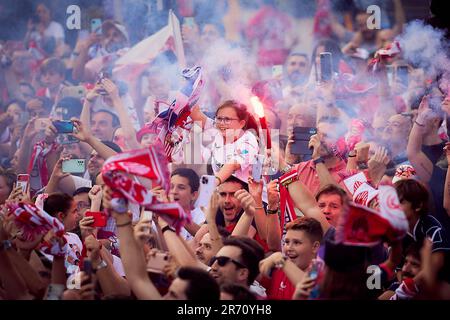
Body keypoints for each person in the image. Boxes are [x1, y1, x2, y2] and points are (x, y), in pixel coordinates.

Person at [190, 100, 260, 185]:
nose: (222, 123)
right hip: (224, 191)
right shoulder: (218, 131)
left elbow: (232, 165)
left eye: (227, 119)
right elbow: (195, 113)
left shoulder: (248, 141)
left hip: (248, 194)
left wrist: (214, 183)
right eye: (219, 118)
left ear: (241, 123)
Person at [259, 217, 323, 300]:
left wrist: (281, 260)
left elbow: (310, 290)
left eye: (297, 242)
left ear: (315, 247)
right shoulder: (278, 268)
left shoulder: (323, 275)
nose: (289, 248)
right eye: (287, 242)